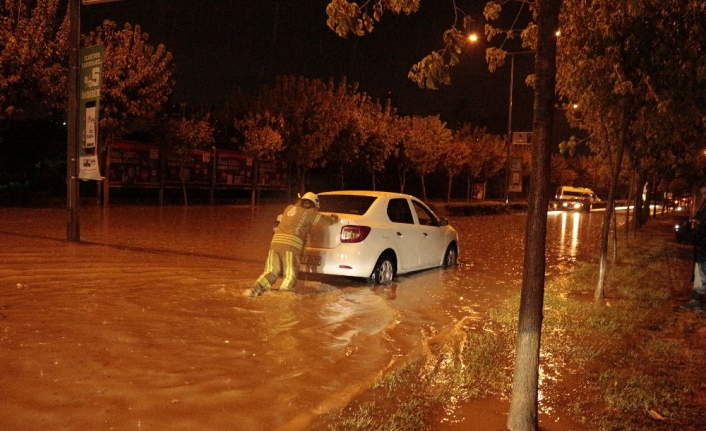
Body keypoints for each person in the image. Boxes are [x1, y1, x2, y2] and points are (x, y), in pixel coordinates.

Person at [245, 192, 338, 297]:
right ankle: (284, 296)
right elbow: (327, 221)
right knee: (290, 275)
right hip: (291, 248)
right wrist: (334, 218)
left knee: (271, 272)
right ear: (313, 204)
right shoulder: (310, 213)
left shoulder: (288, 208)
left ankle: (253, 290)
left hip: (275, 245)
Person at [679, 185, 706, 313]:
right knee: (700, 273)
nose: (703, 195)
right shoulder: (704, 206)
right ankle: (696, 301)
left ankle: (696, 302)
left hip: (704, 246)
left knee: (701, 273)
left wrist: (695, 230)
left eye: (705, 192)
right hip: (702, 246)